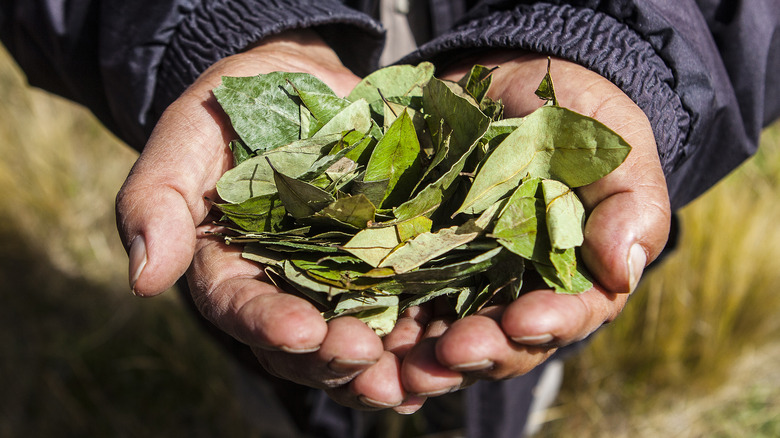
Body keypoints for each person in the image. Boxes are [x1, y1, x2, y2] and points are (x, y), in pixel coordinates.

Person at [2, 1, 778, 436]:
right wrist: (213, 21)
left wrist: (617, 42)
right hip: (280, 322)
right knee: (293, 366)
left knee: (495, 371)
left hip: (491, 305)